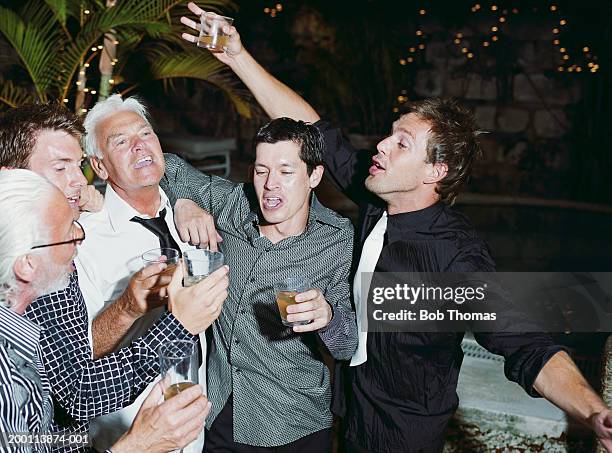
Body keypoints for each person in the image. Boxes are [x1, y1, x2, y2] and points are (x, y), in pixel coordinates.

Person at [180, 5, 612, 452]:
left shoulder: (455, 256)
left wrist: (591, 411)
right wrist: (235, 55)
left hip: (402, 437)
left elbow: (523, 341)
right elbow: (315, 134)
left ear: (435, 172)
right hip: (349, 417)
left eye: (401, 143)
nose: (382, 145)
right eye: (390, 134)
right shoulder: (375, 201)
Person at [0, 102, 228, 453]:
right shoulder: (62, 249)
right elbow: (76, 393)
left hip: (191, 431)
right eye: (61, 167)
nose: (78, 180)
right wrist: (162, 319)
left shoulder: (194, 214)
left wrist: (187, 199)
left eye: (76, 166)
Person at [158, 118, 358, 451]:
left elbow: (347, 345)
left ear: (314, 176)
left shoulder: (337, 241)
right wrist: (184, 203)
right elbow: (164, 165)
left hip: (292, 422)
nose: (270, 185)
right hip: (221, 412)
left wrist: (328, 317)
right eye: (261, 170)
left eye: (285, 171)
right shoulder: (234, 204)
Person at [76, 94, 228, 452]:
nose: (140, 146)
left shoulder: (191, 215)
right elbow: (77, 357)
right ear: (100, 167)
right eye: (121, 142)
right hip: (127, 432)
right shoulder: (84, 238)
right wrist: (129, 304)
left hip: (195, 420)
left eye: (145, 134)